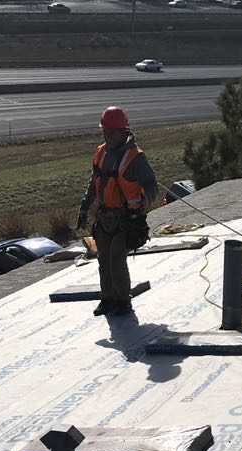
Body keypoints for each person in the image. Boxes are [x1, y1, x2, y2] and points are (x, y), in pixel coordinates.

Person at [77, 106, 159, 316]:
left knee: (116, 259)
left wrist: (144, 203)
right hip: (104, 219)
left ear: (124, 131)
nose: (108, 136)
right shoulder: (101, 153)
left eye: (113, 132)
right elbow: (93, 182)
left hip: (126, 220)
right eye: (105, 132)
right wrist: (84, 208)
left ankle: (123, 301)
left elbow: (152, 187)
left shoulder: (135, 158)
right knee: (103, 259)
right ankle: (108, 299)